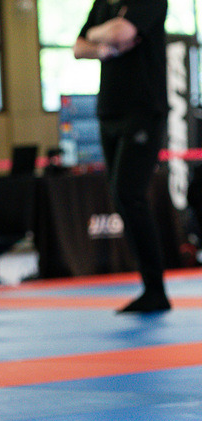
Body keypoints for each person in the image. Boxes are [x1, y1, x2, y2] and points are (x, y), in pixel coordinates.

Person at [75, 1, 171, 313]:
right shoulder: (103, 3)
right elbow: (78, 47)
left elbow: (121, 30)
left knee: (129, 193)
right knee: (121, 197)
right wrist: (103, 45)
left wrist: (98, 34)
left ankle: (155, 289)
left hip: (144, 111)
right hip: (109, 112)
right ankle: (150, 287)